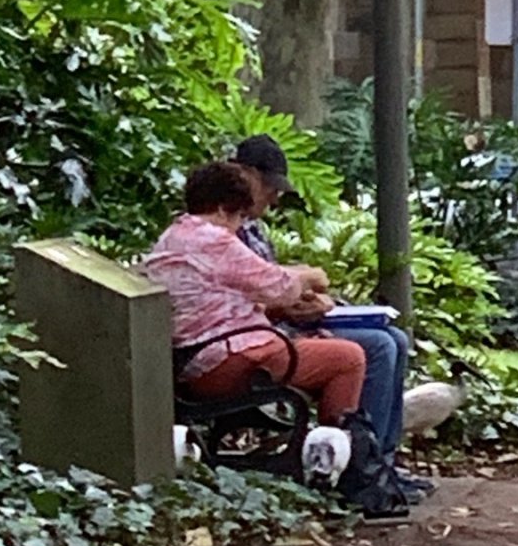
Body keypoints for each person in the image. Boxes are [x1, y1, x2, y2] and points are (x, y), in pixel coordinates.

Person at [230, 135, 429, 496]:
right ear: (244, 175)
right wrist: (298, 296)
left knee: (395, 339)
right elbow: (250, 298)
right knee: (377, 348)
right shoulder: (222, 233)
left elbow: (271, 284)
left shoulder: (251, 229)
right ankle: (361, 471)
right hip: (264, 339)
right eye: (270, 186)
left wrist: (313, 301)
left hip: (283, 328)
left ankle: (381, 461)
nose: (275, 197)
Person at [143, 161, 367, 426]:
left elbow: (246, 278)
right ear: (224, 208)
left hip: (196, 360)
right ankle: (332, 454)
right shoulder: (214, 239)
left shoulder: (175, 236)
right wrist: (312, 276)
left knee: (323, 346)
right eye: (240, 217)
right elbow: (280, 287)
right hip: (226, 361)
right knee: (349, 358)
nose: (239, 227)